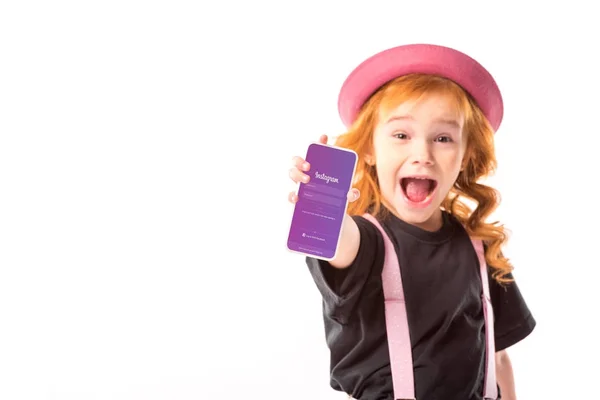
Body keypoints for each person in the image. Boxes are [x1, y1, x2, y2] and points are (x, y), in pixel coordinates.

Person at [287, 44, 536, 400]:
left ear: (465, 156)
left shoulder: (478, 246)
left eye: (443, 138)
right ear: (369, 150)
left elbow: (497, 357)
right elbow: (340, 243)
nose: (422, 155)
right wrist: (324, 204)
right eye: (401, 135)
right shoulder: (366, 242)